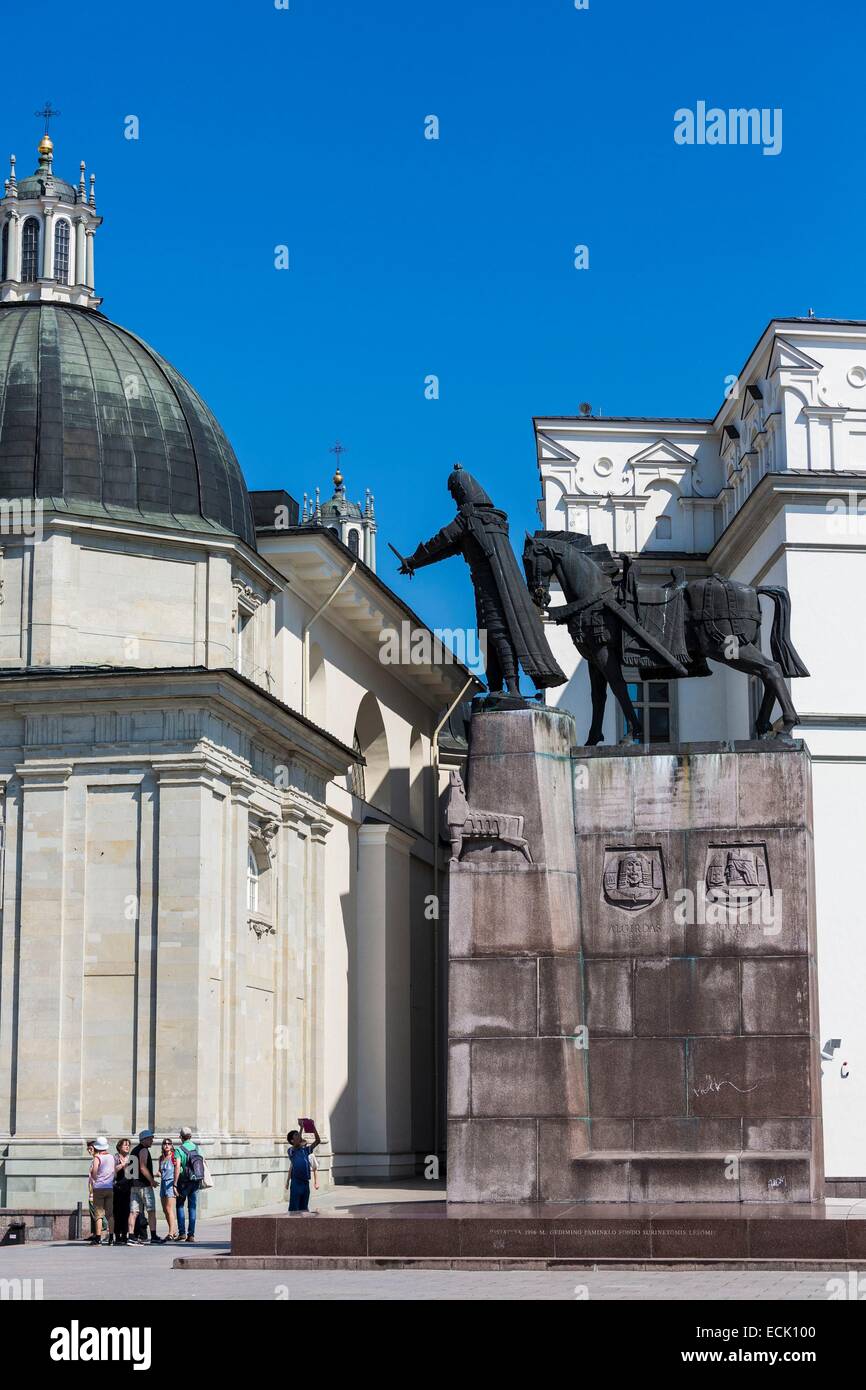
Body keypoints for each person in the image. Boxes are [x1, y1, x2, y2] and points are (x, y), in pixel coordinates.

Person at [128, 1128, 161, 1244]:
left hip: (134, 1185)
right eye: (150, 1139)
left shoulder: (134, 1151)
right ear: (144, 1139)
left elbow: (130, 1171)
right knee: (151, 1210)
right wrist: (151, 1180)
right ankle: (154, 1236)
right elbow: (142, 1167)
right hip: (144, 1186)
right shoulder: (143, 1150)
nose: (152, 1141)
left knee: (133, 1212)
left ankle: (131, 1236)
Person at [285, 1121, 322, 1214]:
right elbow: (296, 1145)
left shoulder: (305, 1150)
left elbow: (318, 1141)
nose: (299, 1137)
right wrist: (301, 1128)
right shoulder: (291, 1151)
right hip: (296, 1183)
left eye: (299, 1135)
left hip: (305, 1183)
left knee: (304, 1209)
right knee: (294, 1209)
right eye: (296, 1136)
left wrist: (313, 1128)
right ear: (292, 1141)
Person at [176, 1126, 201, 1243]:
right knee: (192, 1208)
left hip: (183, 1182)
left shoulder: (179, 1150)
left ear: (181, 1137)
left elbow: (177, 1167)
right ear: (190, 1136)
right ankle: (191, 1235)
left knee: (180, 1206)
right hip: (195, 1181)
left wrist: (175, 1183)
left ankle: (182, 1233)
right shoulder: (197, 1148)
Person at [89, 1137, 115, 1245]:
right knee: (110, 1214)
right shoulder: (112, 1157)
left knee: (98, 1215)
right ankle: (111, 1238)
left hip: (99, 1188)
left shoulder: (97, 1158)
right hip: (110, 1188)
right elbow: (114, 1172)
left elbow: (94, 1173)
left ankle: (98, 1238)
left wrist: (96, 1179)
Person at [159, 1138, 180, 1241]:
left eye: (169, 1144)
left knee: (169, 1208)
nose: (166, 1145)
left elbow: (177, 1170)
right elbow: (160, 1171)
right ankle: (173, 1231)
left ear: (172, 1145)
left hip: (170, 1183)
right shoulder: (161, 1158)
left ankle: (171, 1233)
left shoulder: (174, 1157)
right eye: (164, 1144)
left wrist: (175, 1184)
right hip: (163, 1183)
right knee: (164, 1209)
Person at [113, 1138, 132, 1247]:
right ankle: (117, 1235)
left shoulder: (132, 1158)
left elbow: (133, 1175)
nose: (127, 1147)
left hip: (128, 1189)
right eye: (125, 1145)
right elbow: (113, 1171)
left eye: (128, 1145)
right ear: (119, 1147)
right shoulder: (115, 1157)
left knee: (127, 1212)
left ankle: (125, 1235)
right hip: (117, 1188)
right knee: (117, 1212)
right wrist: (123, 1165)